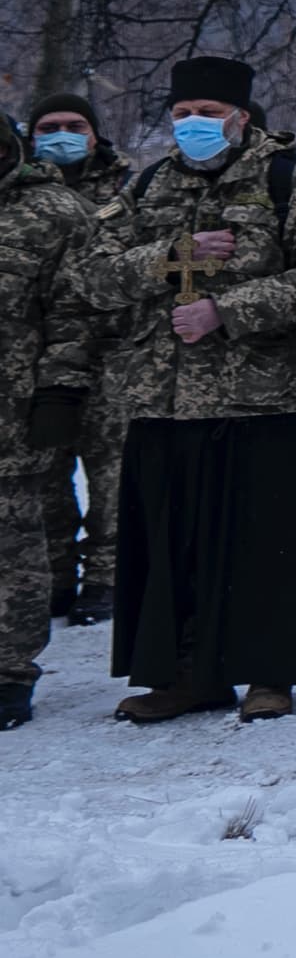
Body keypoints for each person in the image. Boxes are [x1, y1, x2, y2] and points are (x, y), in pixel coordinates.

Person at [65, 57, 296, 722]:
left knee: (266, 540)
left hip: (262, 396)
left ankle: (270, 673)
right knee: (175, 546)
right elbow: (92, 274)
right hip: (164, 397)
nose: (192, 124)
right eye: (181, 113)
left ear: (241, 117)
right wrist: (174, 256)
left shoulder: (292, 180)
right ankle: (186, 674)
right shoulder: (142, 186)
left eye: (207, 112)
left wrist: (231, 310)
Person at [0, 116, 98, 730]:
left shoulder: (56, 211)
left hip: (12, 408)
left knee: (11, 546)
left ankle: (9, 673)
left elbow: (76, 310)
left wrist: (60, 389)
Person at [24, 92, 122, 626]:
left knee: (112, 473)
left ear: (95, 133)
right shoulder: (16, 191)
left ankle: (106, 576)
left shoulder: (128, 188)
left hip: (112, 357)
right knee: (43, 473)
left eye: (74, 125)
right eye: (49, 126)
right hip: (33, 361)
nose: (61, 135)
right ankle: (55, 572)